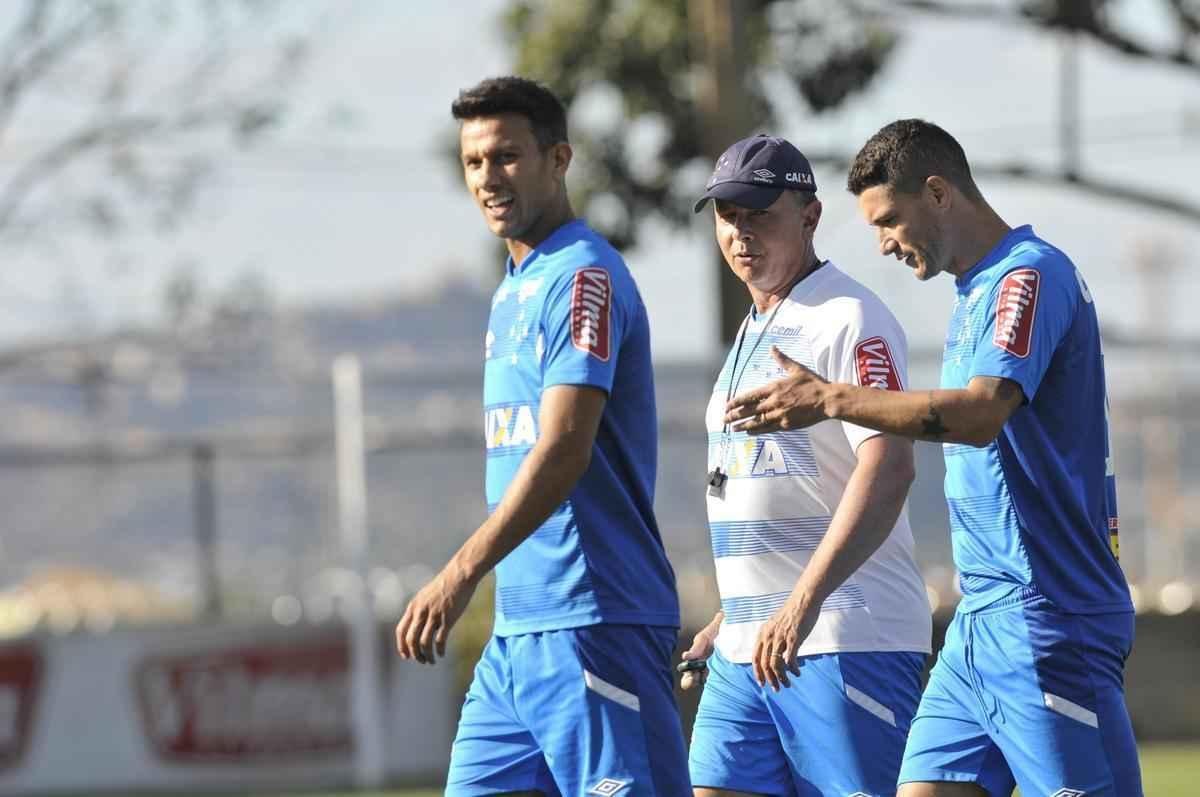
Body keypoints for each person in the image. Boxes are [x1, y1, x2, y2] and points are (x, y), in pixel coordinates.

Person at [723, 119, 1141, 797]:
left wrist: (833, 398)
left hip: (1049, 615)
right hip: (980, 621)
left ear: (939, 193)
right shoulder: (975, 295)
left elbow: (978, 416)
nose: (883, 244)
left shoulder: (1027, 278)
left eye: (888, 220)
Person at [394, 76, 690, 796]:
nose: (489, 178)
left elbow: (562, 448)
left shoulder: (582, 277)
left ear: (559, 159)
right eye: (473, 162)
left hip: (596, 619)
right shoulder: (514, 285)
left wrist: (461, 571)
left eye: (507, 156)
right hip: (520, 630)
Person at [681, 133, 932, 797]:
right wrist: (730, 615)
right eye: (726, 215)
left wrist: (801, 603)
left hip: (845, 637)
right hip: (749, 646)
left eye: (759, 213)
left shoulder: (850, 317)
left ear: (810, 217)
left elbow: (890, 468)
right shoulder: (753, 328)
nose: (739, 232)